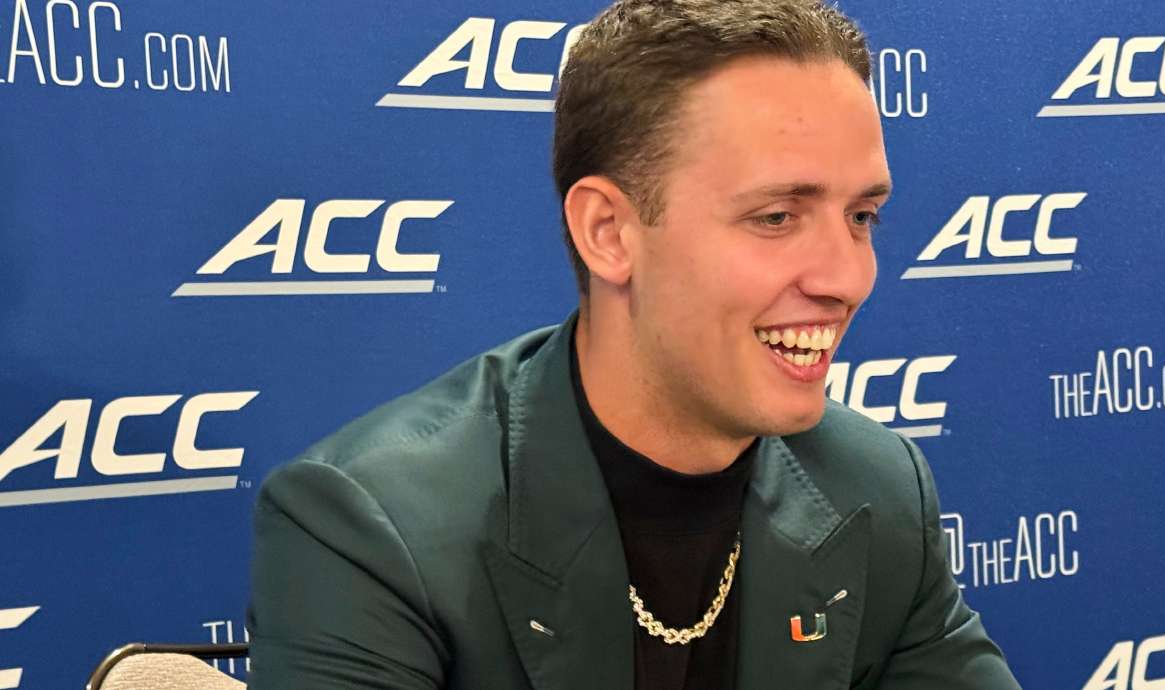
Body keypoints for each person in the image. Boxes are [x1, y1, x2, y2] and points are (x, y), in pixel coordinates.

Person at [247, 1, 1022, 688]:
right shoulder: (372, 527)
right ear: (609, 233)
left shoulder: (876, 488)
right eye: (778, 216)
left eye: (862, 217)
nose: (847, 277)